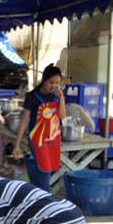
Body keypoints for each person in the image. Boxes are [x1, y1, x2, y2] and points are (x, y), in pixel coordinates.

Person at [11, 64, 67, 192]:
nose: (53, 86)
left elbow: (62, 116)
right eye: (51, 82)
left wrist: (62, 98)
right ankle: (46, 199)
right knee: (45, 173)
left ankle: (36, 195)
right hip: (38, 140)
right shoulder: (32, 96)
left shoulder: (55, 96)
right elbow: (25, 121)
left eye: (57, 83)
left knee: (46, 171)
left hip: (52, 140)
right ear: (44, 80)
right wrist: (17, 145)